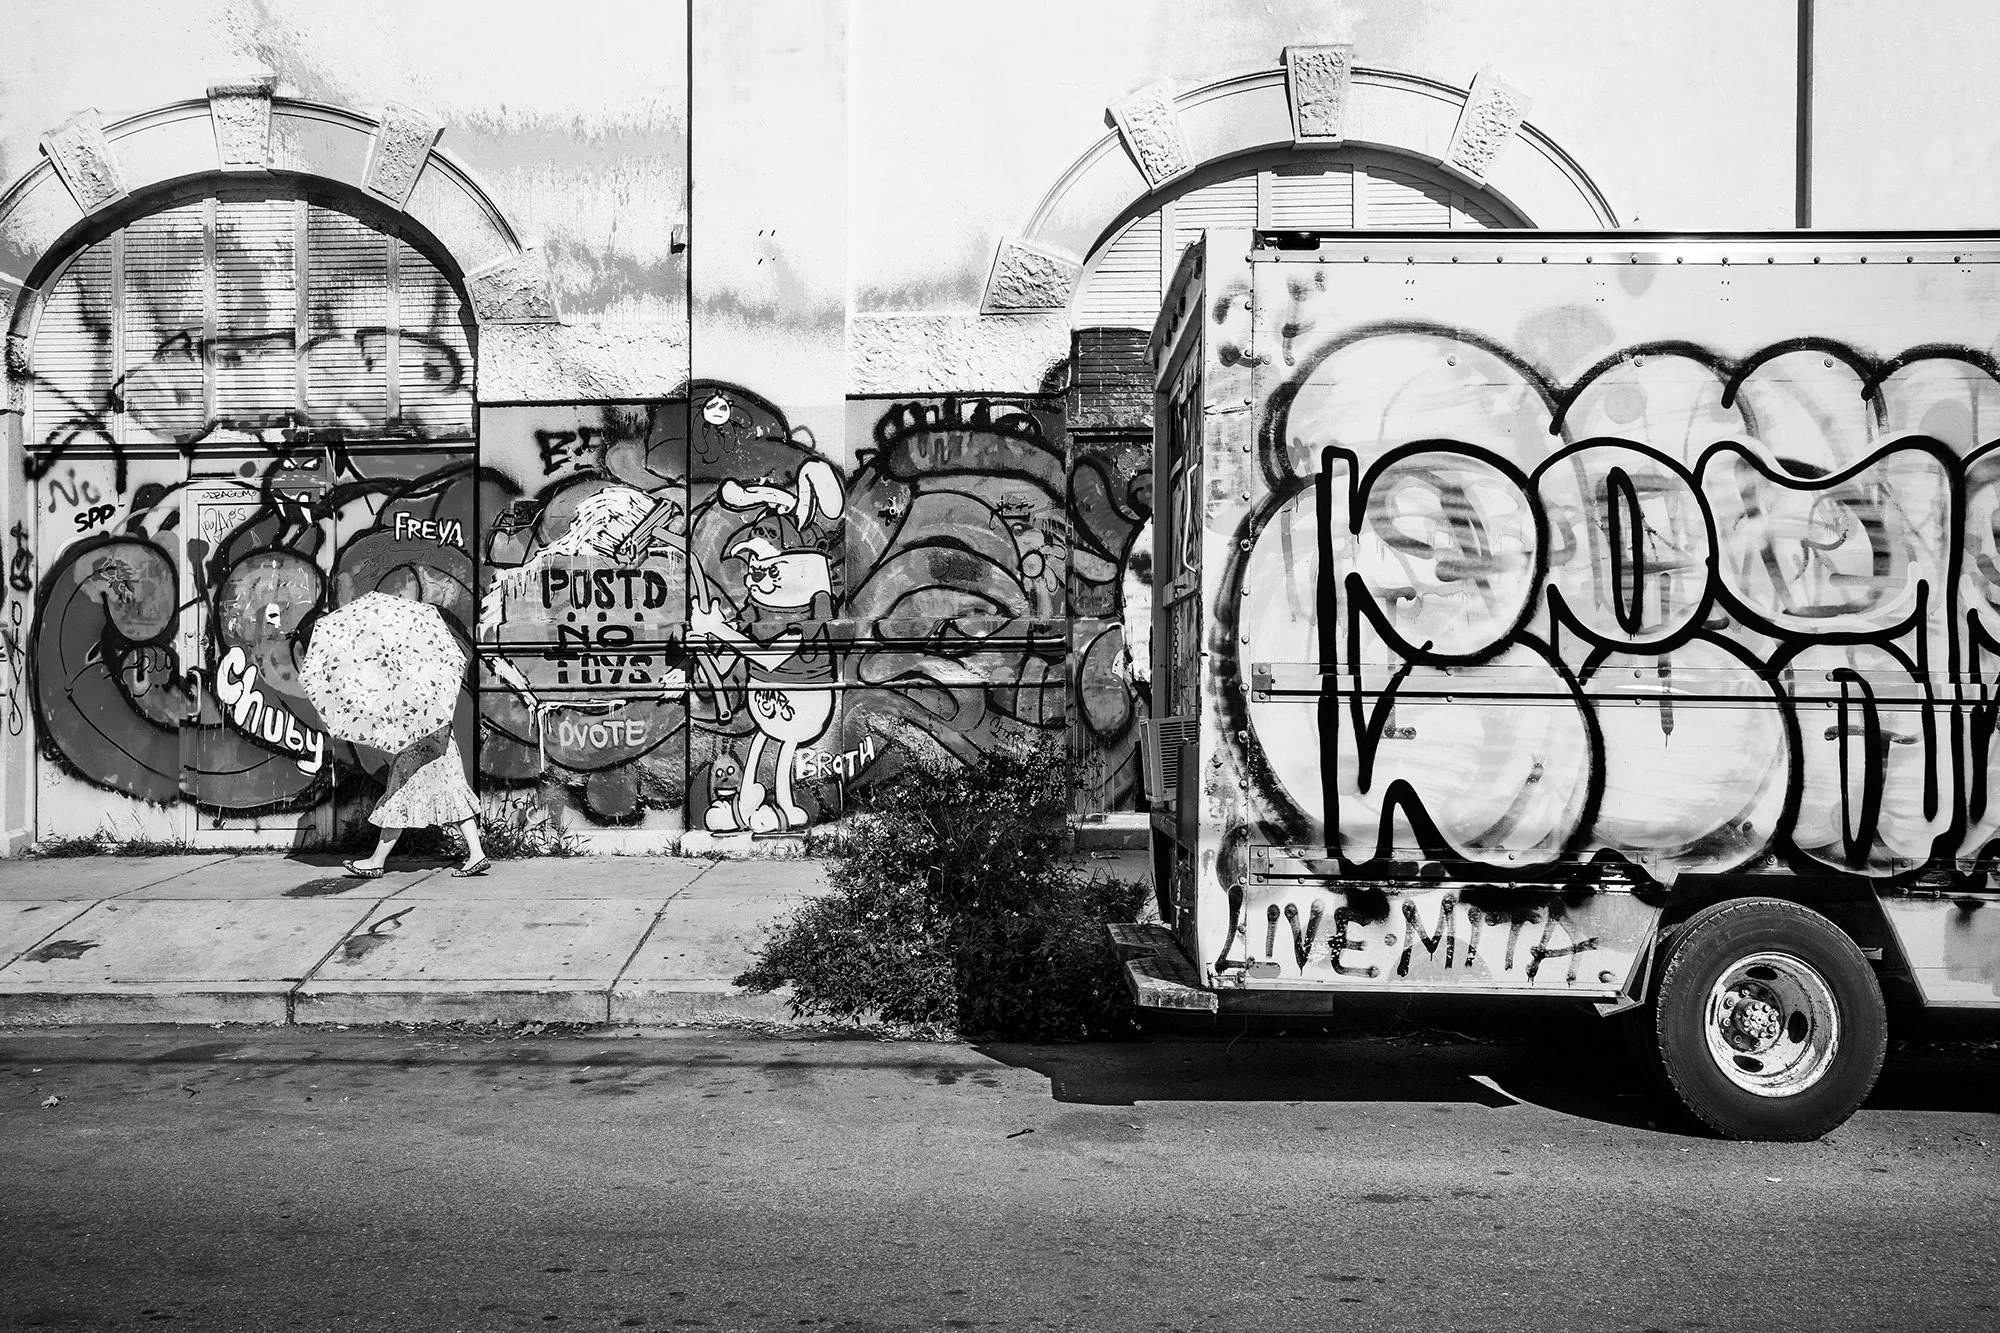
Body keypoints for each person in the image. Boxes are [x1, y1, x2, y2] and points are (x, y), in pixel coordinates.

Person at [344, 724, 488, 877]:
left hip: (417, 745)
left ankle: (376, 862)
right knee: (454, 795)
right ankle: (477, 854)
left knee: (399, 799)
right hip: (441, 742)